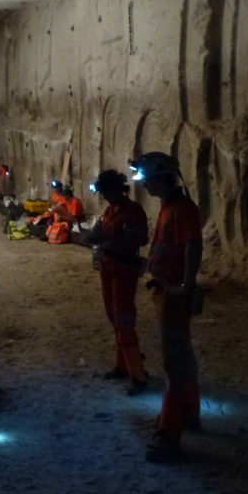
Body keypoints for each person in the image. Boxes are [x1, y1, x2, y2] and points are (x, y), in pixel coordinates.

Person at [129, 152, 203, 463]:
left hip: (174, 295)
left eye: (146, 180)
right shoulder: (168, 209)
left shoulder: (182, 210)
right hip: (165, 292)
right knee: (181, 356)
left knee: (175, 363)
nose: (144, 185)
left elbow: (192, 247)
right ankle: (188, 411)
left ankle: (169, 434)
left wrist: (185, 286)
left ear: (161, 178)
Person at [86, 169, 150, 396]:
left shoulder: (133, 211)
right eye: (104, 192)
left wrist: (107, 237)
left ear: (119, 189)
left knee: (123, 319)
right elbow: (105, 233)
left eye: (108, 191)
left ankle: (138, 376)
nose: (106, 196)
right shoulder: (109, 211)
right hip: (108, 265)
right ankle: (122, 366)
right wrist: (96, 236)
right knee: (114, 317)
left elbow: (141, 238)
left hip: (124, 268)